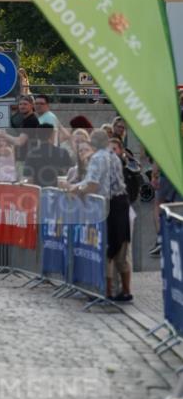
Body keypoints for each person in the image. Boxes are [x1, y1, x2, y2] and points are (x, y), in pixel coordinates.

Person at [65, 129, 132, 301]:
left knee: (107, 250)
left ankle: (106, 292)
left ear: (93, 143)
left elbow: (93, 185)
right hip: (121, 203)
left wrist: (77, 190)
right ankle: (126, 291)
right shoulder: (113, 156)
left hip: (108, 207)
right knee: (121, 249)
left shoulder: (96, 158)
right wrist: (79, 186)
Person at [22, 123, 72, 187]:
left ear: (37, 136)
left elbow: (28, 179)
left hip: (39, 192)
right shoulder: (63, 152)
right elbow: (70, 174)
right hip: (59, 192)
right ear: (52, 135)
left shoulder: (31, 154)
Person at [1, 96, 41, 175]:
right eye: (20, 104)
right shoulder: (26, 120)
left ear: (32, 105)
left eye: (25, 104)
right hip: (25, 160)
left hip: (25, 161)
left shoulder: (30, 120)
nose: (22, 106)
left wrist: (4, 135)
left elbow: (20, 141)